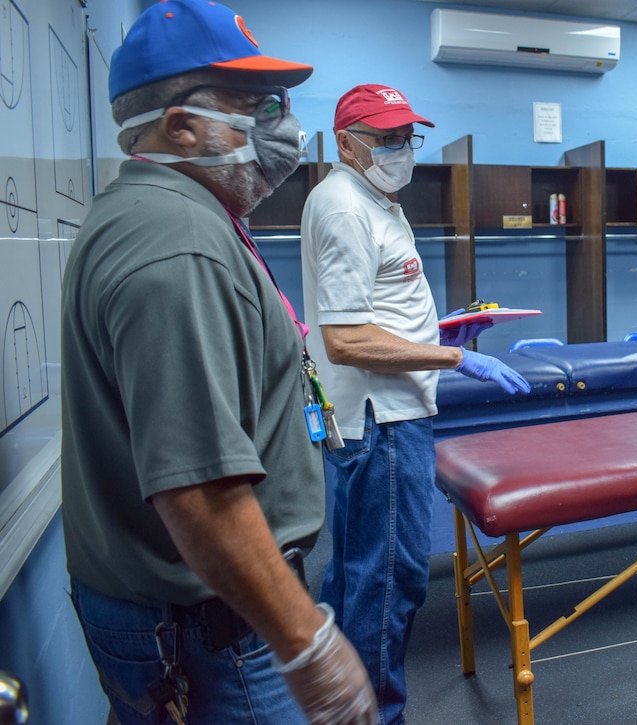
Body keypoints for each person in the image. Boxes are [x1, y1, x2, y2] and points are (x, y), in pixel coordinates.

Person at [61, 2, 376, 722]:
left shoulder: (163, 213)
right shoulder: (178, 243)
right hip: (213, 628)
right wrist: (308, 644)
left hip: (175, 612)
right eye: (255, 106)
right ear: (181, 126)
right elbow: (199, 490)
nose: (284, 127)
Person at [300, 84, 530, 724]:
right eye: (385, 138)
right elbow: (347, 340)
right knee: (386, 583)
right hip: (384, 421)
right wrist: (456, 358)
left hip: (377, 413)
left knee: (352, 576)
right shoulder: (348, 207)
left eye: (407, 137)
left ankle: (338, 711)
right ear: (346, 143)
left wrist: (440, 332)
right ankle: (376, 717)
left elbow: (373, 310)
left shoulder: (371, 199)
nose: (401, 149)